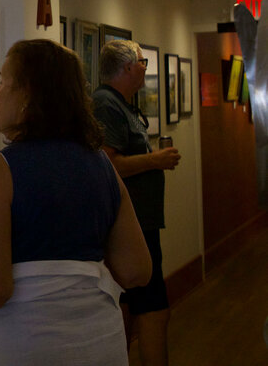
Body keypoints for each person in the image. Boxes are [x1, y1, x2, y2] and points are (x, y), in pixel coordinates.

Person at [0, 39, 152, 366]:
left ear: (28, 96)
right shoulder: (101, 165)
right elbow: (137, 270)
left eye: (2, 82)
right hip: (100, 340)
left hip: (26, 342)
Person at [92, 40, 181, 366]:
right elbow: (109, 164)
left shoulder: (122, 103)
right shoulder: (105, 104)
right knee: (154, 309)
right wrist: (155, 160)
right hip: (129, 227)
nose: (146, 68)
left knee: (136, 308)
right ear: (128, 67)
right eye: (143, 62)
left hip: (140, 223)